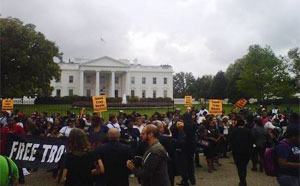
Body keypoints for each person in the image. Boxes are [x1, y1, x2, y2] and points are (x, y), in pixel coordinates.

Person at [230, 119, 254, 186]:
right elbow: (252, 141)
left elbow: (231, 142)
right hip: (247, 152)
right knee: (244, 167)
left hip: (237, 152)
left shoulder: (234, 131)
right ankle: (242, 180)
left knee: (240, 167)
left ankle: (243, 182)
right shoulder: (249, 131)